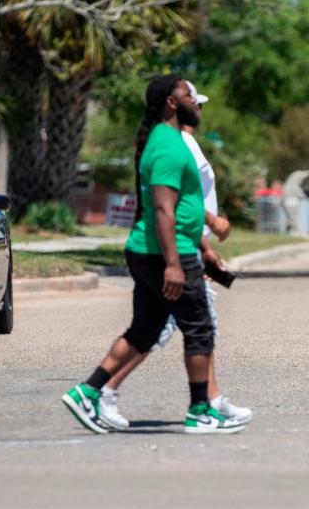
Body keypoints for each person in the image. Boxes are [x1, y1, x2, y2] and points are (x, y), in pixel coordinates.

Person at [61, 75, 244, 435]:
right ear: (172, 103)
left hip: (159, 250)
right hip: (164, 253)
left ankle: (88, 391)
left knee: (145, 330)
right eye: (189, 95)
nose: (196, 101)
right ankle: (199, 411)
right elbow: (162, 211)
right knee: (199, 329)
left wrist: (203, 245)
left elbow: (183, 204)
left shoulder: (170, 141)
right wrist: (175, 263)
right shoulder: (167, 147)